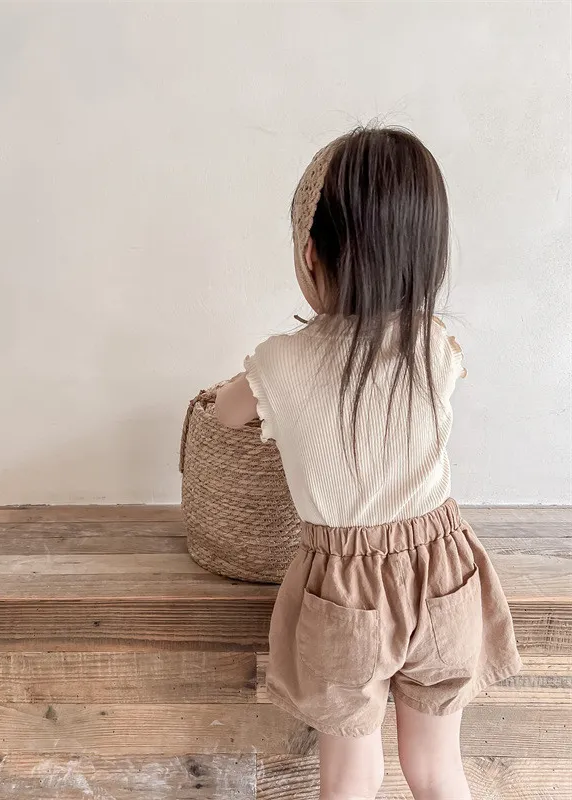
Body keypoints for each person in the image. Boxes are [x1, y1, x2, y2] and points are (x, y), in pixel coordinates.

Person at [215, 126, 521, 800]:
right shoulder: (435, 347)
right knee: (438, 772)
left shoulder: (279, 362)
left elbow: (223, 416)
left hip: (343, 590)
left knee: (352, 779)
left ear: (310, 253)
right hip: (443, 570)